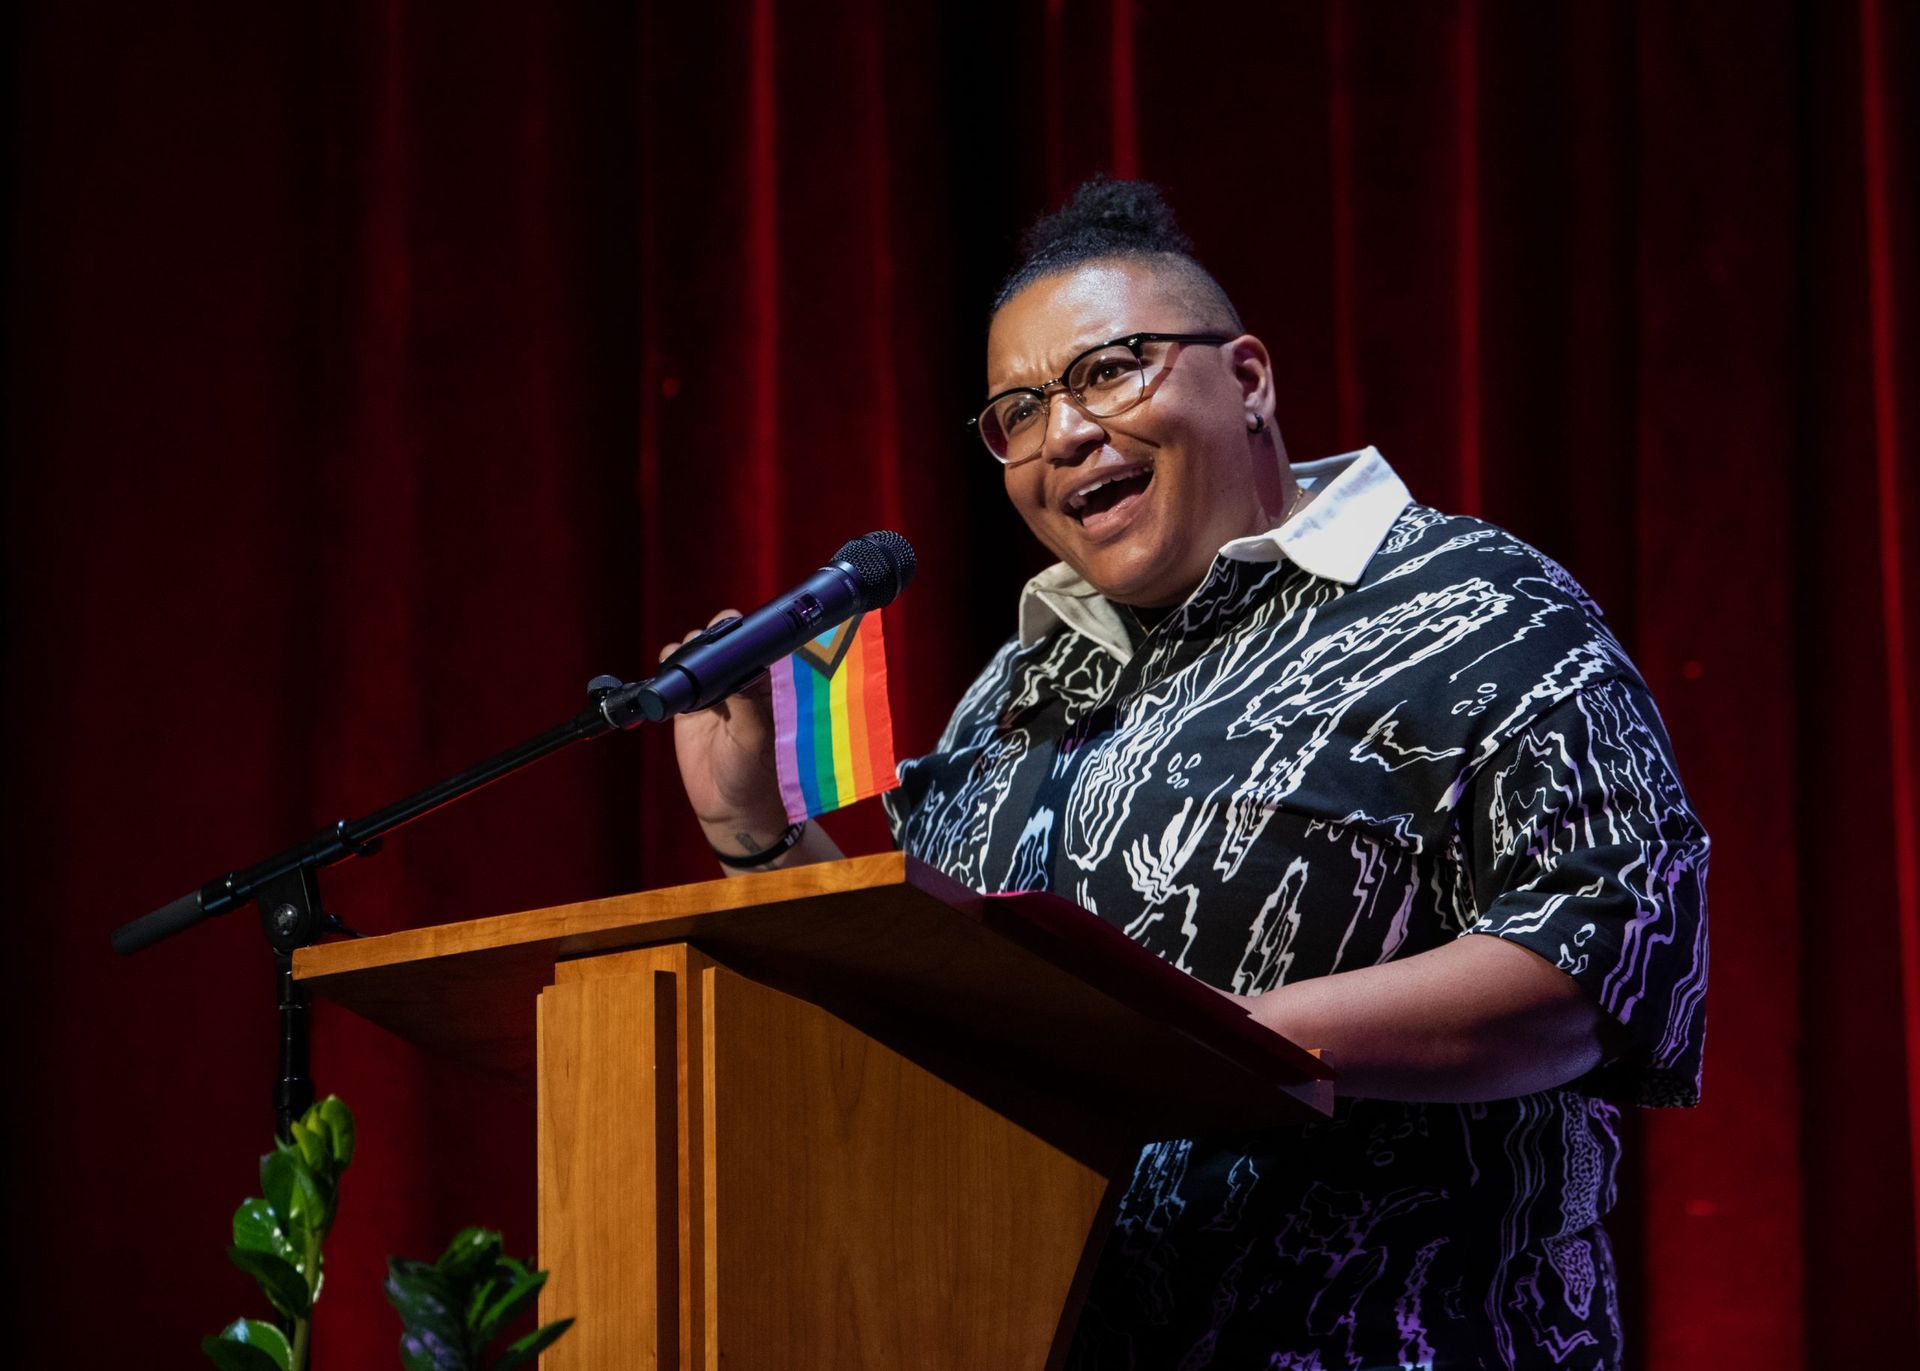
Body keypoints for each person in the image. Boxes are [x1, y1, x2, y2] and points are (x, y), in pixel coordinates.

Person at [665, 177, 1707, 1370]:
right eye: (1018, 410)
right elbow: (926, 1010)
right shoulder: (1010, 692)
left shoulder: (1476, 605)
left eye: (1111, 368)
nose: (1064, 433)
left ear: (1248, 379)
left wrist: (1200, 1041)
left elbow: (1611, 948)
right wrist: (753, 828)